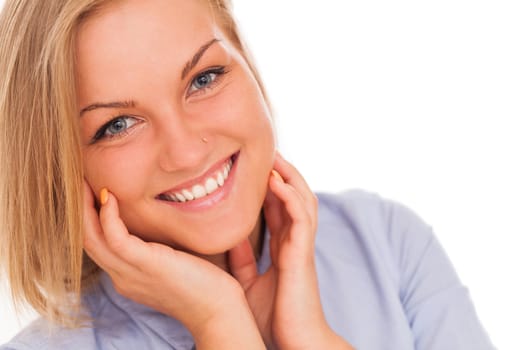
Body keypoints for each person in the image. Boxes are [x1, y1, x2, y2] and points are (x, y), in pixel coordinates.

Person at [0, 0, 495, 349]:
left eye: (204, 78)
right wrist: (221, 325)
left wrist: (311, 340)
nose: (187, 150)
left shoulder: (386, 243)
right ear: (57, 169)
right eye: (118, 125)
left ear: (244, 59)